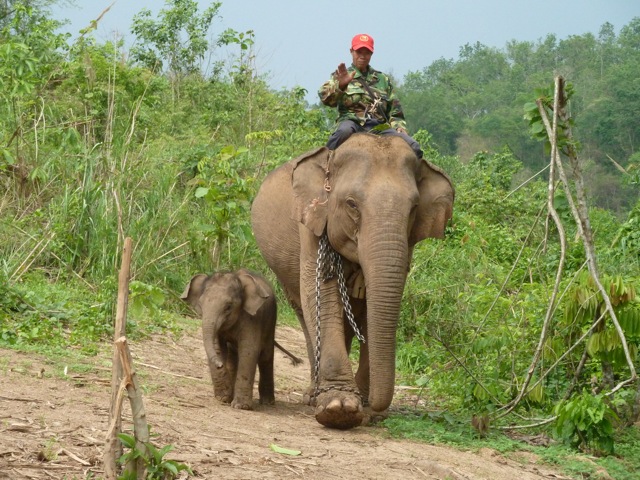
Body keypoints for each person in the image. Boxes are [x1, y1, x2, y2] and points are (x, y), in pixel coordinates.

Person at [318, 33, 423, 159]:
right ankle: (323, 163)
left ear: (371, 54)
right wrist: (340, 85)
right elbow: (324, 97)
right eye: (359, 52)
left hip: (378, 126)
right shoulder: (340, 75)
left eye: (366, 52)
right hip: (352, 122)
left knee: (413, 146)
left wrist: (399, 127)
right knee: (343, 132)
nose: (362, 56)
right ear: (351, 51)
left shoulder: (382, 79)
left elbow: (395, 111)